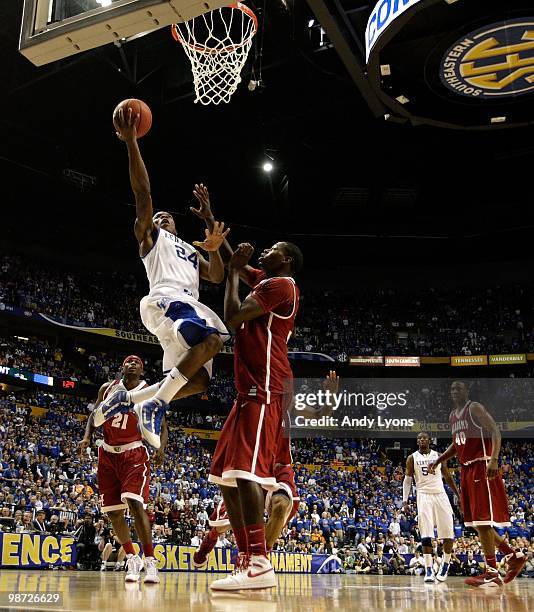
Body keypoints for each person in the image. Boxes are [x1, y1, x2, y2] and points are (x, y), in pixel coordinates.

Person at [94, 107, 230, 448]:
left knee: (198, 381)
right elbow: (143, 195)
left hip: (186, 308)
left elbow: (216, 275)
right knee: (213, 340)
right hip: (167, 300)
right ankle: (156, 404)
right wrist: (131, 143)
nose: (162, 215)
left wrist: (213, 246)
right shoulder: (152, 238)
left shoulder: (189, 247)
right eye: (157, 215)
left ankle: (131, 401)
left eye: (166, 215)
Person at [206, 238, 303, 591]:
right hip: (245, 392)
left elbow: (232, 317)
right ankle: (247, 559)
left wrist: (231, 275)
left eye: (274, 248)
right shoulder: (266, 279)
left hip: (265, 388)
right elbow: (240, 261)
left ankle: (260, 560)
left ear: (287, 259)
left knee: (246, 475)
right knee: (226, 477)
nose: (265, 251)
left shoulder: (281, 285)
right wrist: (213, 226)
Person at [429, 381, 526, 587]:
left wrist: (494, 459)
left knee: (483, 522)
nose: (455, 391)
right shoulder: (453, 416)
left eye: (459, 388)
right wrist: (439, 460)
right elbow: (457, 443)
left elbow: (495, 430)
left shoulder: (474, 408)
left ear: (467, 391)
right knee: (476, 524)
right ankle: (513, 557)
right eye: (452, 388)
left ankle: (492, 572)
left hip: (482, 464)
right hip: (466, 470)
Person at [78, 355, 165, 584]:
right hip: (107, 453)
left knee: (135, 504)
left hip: (133, 452)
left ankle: (150, 561)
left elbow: (163, 426)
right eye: (128, 361)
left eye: (137, 362)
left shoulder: (150, 392)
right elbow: (94, 416)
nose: (132, 363)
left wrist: (160, 449)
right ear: (122, 367)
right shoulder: (107, 389)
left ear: (142, 369)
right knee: (114, 512)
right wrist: (87, 438)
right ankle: (132, 558)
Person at [403, 431, 459, 583]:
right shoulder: (412, 458)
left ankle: (445, 564)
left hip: (440, 494)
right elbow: (407, 480)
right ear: (417, 442)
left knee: (448, 533)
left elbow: (447, 476)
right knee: (426, 534)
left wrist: (458, 495)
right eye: (419, 438)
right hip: (423, 495)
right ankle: (428, 569)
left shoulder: (439, 456)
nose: (421, 440)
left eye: (424, 438)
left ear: (430, 441)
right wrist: (405, 500)